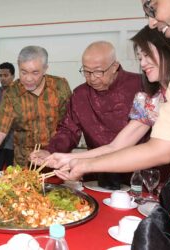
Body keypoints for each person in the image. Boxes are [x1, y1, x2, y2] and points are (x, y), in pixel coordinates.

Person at [47, 0, 170, 181]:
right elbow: (116, 147)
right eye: (139, 57)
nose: (142, 64)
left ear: (168, 50)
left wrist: (85, 165)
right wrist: (69, 158)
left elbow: (159, 150)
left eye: (147, 55)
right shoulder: (152, 99)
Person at [29, 41, 143, 188]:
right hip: (96, 170)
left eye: (98, 71)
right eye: (86, 71)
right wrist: (50, 151)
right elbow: (68, 130)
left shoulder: (140, 85)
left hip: (140, 171)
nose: (92, 78)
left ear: (115, 67)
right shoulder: (80, 94)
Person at [0, 46, 72, 167]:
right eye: (23, 72)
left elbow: (69, 125)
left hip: (57, 158)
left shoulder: (60, 87)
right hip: (24, 163)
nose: (28, 79)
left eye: (35, 72)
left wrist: (54, 149)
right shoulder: (12, 93)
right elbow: (0, 129)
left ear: (45, 69)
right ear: (18, 66)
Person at [0, 62, 15, 174]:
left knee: (14, 175)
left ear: (13, 76)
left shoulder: (20, 94)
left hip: (15, 143)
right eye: (0, 75)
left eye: (6, 75)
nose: (2, 78)